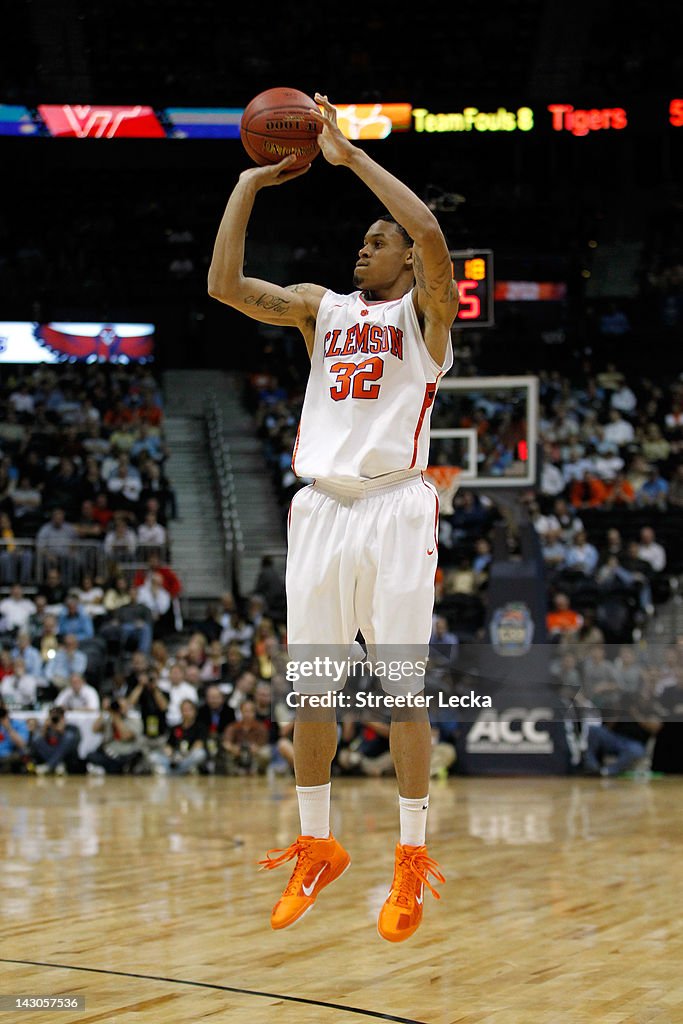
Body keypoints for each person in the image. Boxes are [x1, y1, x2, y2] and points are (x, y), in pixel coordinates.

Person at [208, 93, 454, 940]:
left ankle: (410, 862)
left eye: (374, 240)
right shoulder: (321, 307)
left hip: (394, 506)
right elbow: (225, 286)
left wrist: (350, 159)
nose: (366, 242)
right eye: (363, 236)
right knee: (311, 691)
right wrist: (248, 184)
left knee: (402, 698)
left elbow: (426, 232)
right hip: (319, 507)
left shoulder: (426, 319)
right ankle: (317, 846)